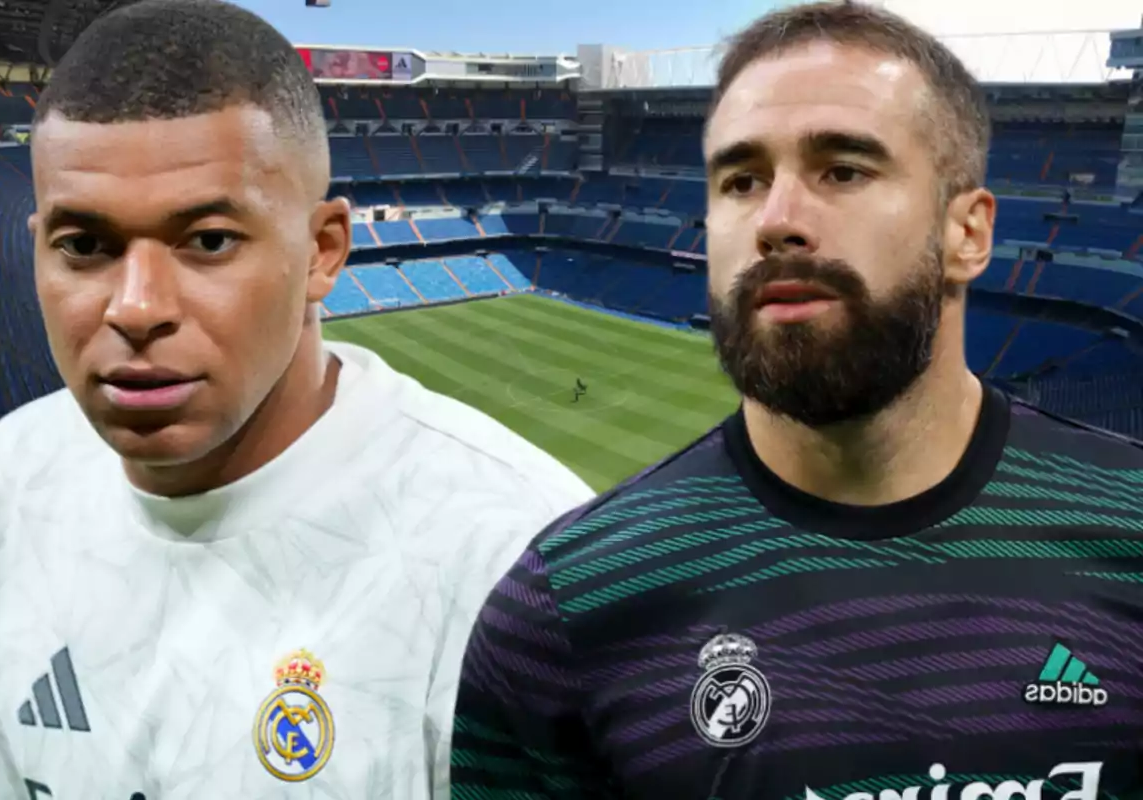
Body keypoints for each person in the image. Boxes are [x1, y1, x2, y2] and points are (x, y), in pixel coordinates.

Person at [449, 3, 1143, 798]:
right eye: (742, 181)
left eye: (842, 170)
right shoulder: (563, 608)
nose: (777, 219)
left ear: (968, 233)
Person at [0, 1, 592, 797]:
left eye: (209, 240)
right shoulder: (4, 481)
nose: (137, 308)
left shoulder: (519, 565)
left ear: (323, 252)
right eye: (85, 246)